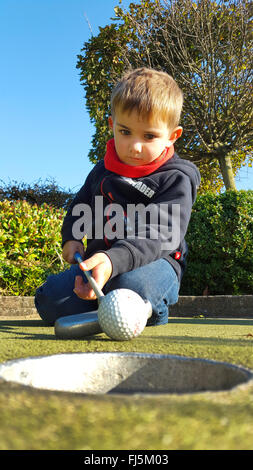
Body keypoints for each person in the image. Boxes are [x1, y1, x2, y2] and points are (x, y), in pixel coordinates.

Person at [35, 67, 201, 326]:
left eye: (149, 136)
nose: (135, 146)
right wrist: (72, 238)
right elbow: (80, 207)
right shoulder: (102, 169)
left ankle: (154, 309)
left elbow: (162, 233)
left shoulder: (177, 176)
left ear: (172, 136)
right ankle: (106, 304)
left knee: (128, 286)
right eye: (125, 132)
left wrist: (113, 261)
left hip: (155, 264)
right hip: (101, 265)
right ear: (112, 125)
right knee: (49, 300)